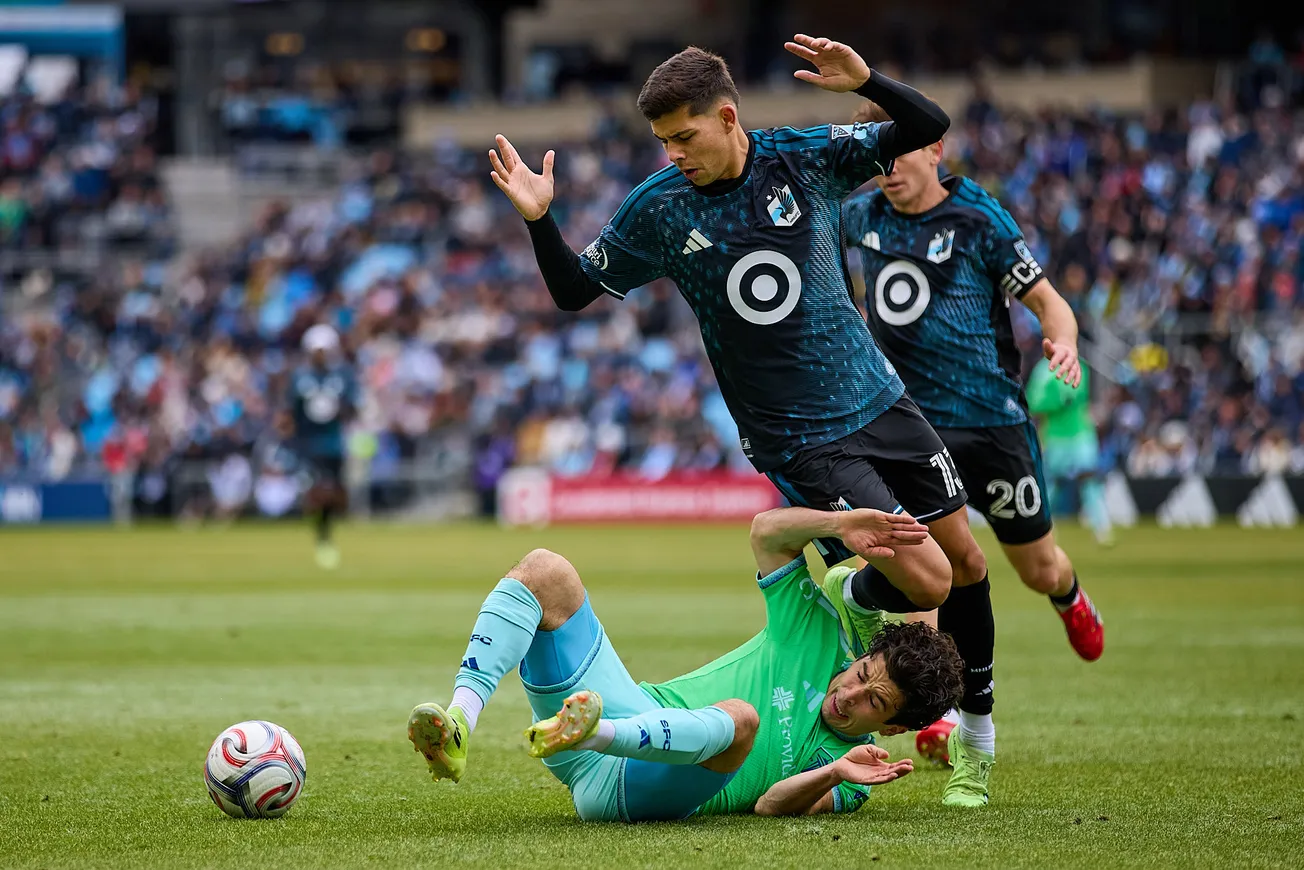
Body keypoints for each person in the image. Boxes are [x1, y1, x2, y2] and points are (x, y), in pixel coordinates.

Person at [489, 34, 996, 807]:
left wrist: (867, 81)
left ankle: (974, 736)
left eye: (684, 137)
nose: (673, 154)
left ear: (727, 118)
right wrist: (539, 219)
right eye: (662, 141)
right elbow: (572, 290)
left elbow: (926, 124)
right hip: (799, 438)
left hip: (880, 398)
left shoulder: (803, 158)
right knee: (927, 578)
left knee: (967, 561)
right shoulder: (660, 207)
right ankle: (871, 626)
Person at [840, 99, 1107, 762]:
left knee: (1037, 567)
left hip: (992, 427)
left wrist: (1065, 342)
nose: (887, 168)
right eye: (878, 155)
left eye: (900, 151)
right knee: (926, 564)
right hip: (910, 428)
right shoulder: (860, 217)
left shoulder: (978, 218)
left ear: (935, 148)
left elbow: (1049, 303)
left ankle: (1069, 595)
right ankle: (934, 712)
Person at [406, 506, 964, 821]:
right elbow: (765, 532)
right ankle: (460, 722)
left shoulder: (856, 769)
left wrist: (835, 773)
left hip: (634, 786)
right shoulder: (816, 630)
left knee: (741, 719)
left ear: (893, 728)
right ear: (863, 656)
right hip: (625, 711)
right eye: (861, 675)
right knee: (545, 571)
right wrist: (835, 526)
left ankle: (591, 733)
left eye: (874, 703)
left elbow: (770, 806)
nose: (849, 694)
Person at [288, 324, 356, 569]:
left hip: (333, 443)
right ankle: (322, 535)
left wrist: (338, 409)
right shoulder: (300, 377)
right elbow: (291, 412)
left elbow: (352, 407)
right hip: (309, 443)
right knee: (318, 491)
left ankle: (326, 531)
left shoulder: (342, 375)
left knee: (335, 493)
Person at [1025, 358, 1114, 546]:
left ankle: (1102, 529)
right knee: (1051, 486)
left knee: (1090, 480)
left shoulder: (1078, 364)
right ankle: (1044, 531)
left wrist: (1060, 397)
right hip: (1054, 438)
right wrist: (1056, 400)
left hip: (1082, 435)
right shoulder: (1042, 370)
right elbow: (1033, 403)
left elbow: (1078, 394)